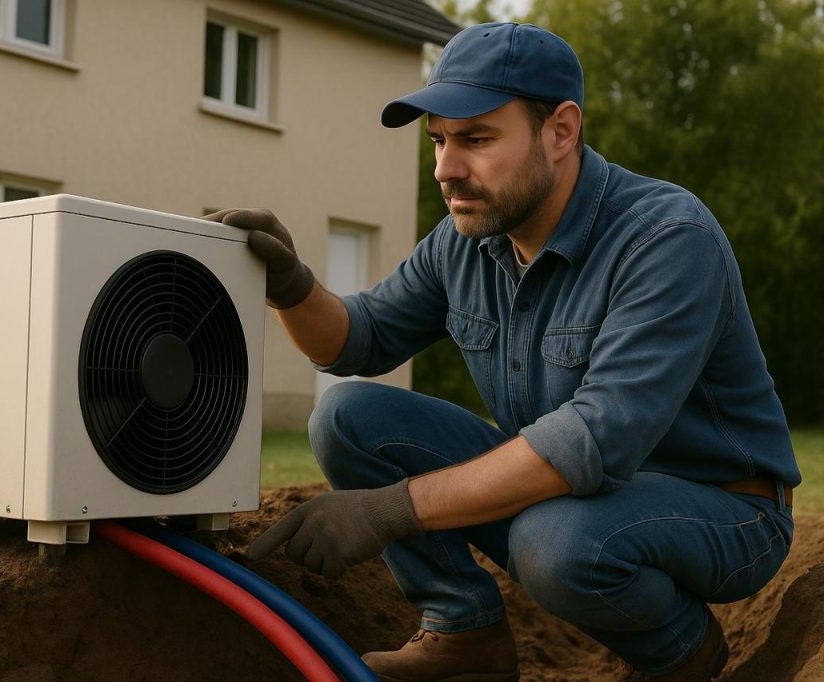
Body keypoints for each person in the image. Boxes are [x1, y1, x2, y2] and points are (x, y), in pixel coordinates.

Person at [204, 21, 800, 682]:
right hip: (571, 497)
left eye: (477, 140)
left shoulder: (665, 237)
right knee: (346, 418)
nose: (446, 168)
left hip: (723, 511)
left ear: (562, 130)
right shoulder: (468, 238)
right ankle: (464, 634)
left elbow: (591, 441)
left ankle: (684, 656)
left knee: (555, 543)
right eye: (438, 141)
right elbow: (358, 339)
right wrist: (291, 286)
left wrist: (389, 508)